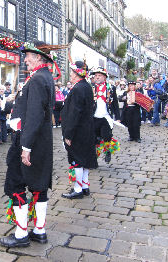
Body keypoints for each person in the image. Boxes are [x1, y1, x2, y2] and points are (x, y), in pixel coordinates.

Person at [0, 41, 54, 248]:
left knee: (15, 184)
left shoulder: (39, 79)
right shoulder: (43, 77)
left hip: (28, 140)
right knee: (39, 185)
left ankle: (21, 234)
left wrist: (26, 147)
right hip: (39, 141)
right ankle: (39, 231)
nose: (25, 59)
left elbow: (34, 115)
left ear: (39, 57)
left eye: (29, 55)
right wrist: (4, 104)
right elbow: (28, 106)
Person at [61, 61, 98, 199]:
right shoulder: (87, 86)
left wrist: (68, 134)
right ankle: (85, 186)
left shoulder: (77, 89)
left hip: (78, 131)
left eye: (72, 72)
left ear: (77, 74)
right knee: (85, 158)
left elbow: (74, 113)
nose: (70, 74)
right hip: (87, 128)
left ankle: (77, 189)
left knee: (76, 159)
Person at [90, 67, 120, 164]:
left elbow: (115, 103)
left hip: (106, 117)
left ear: (104, 77)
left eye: (99, 75)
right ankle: (94, 158)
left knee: (107, 136)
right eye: (96, 75)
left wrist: (118, 117)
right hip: (94, 117)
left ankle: (107, 151)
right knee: (93, 139)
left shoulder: (111, 88)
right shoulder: (91, 87)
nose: (97, 77)